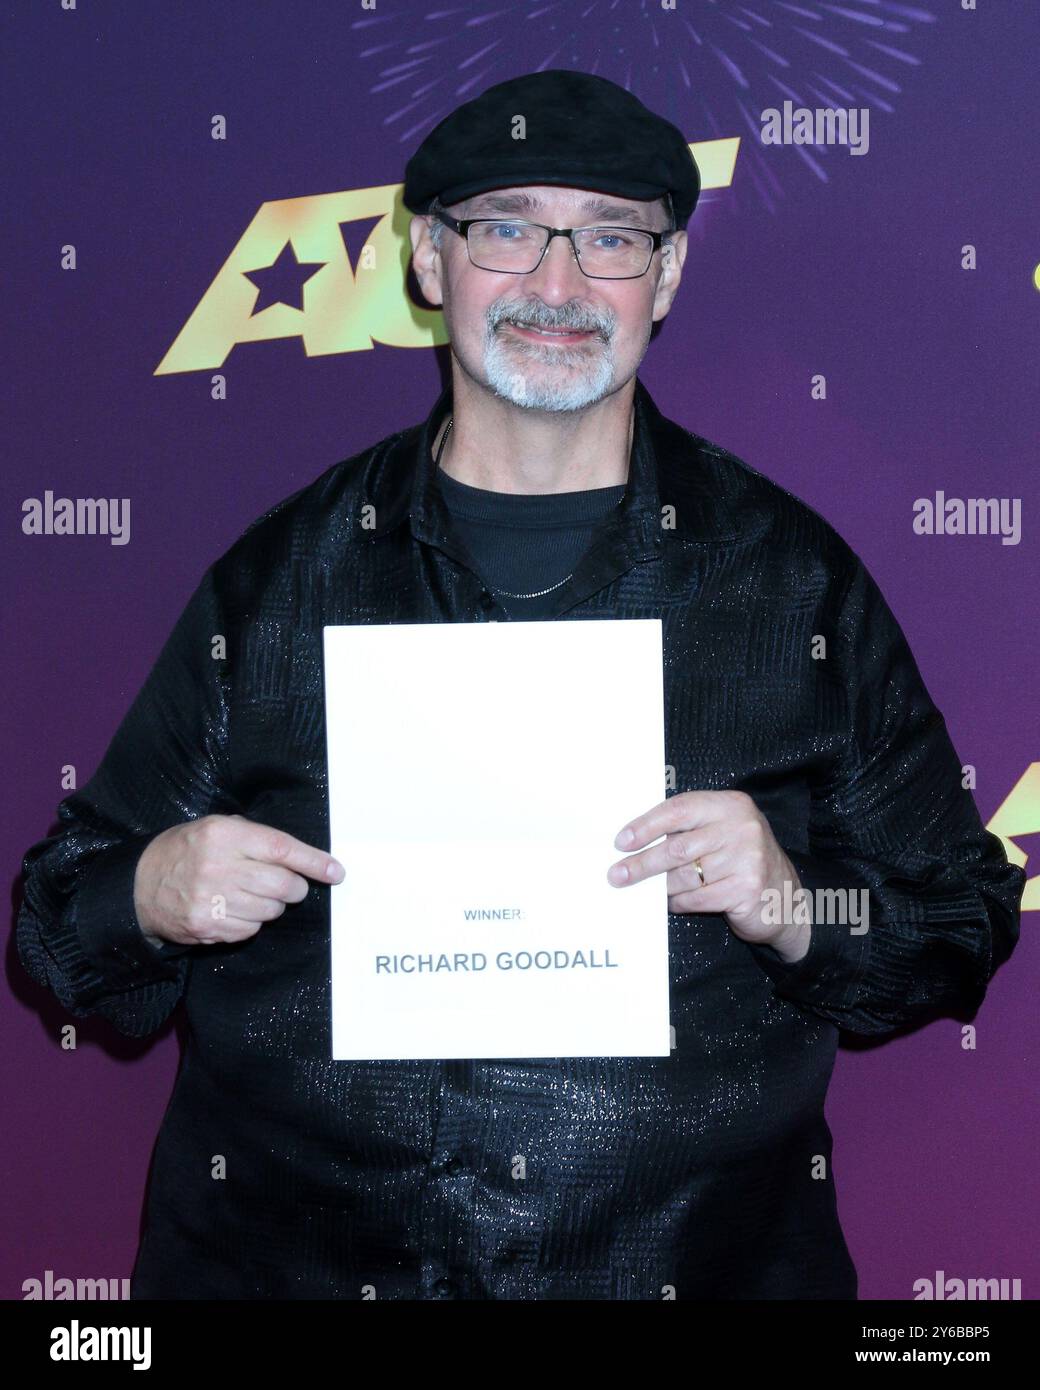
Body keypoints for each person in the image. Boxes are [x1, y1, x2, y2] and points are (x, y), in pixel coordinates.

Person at [17, 69, 1025, 1301]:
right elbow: (60, 917)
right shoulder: (277, 582)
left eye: (609, 237)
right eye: (506, 227)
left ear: (664, 278)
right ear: (428, 261)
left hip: (694, 1276)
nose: (557, 284)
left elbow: (955, 915)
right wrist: (152, 891)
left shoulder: (790, 586)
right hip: (289, 1273)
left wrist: (801, 905)